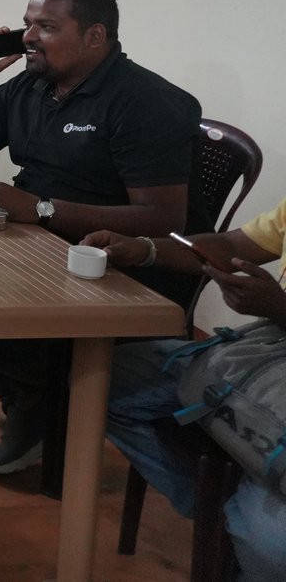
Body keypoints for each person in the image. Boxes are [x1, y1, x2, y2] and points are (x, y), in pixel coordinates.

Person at [0, 0, 205, 474]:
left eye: (47, 27)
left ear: (94, 36)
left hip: (113, 264)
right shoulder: (31, 86)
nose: (29, 37)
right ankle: (36, 399)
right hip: (38, 242)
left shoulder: (144, 101)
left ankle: (41, 404)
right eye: (27, 24)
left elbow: (162, 220)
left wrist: (41, 208)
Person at [86, 206, 286, 580]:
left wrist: (280, 307)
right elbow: (232, 245)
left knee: (275, 547)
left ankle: (238, 522)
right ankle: (217, 513)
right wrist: (144, 249)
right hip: (263, 353)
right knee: (100, 377)